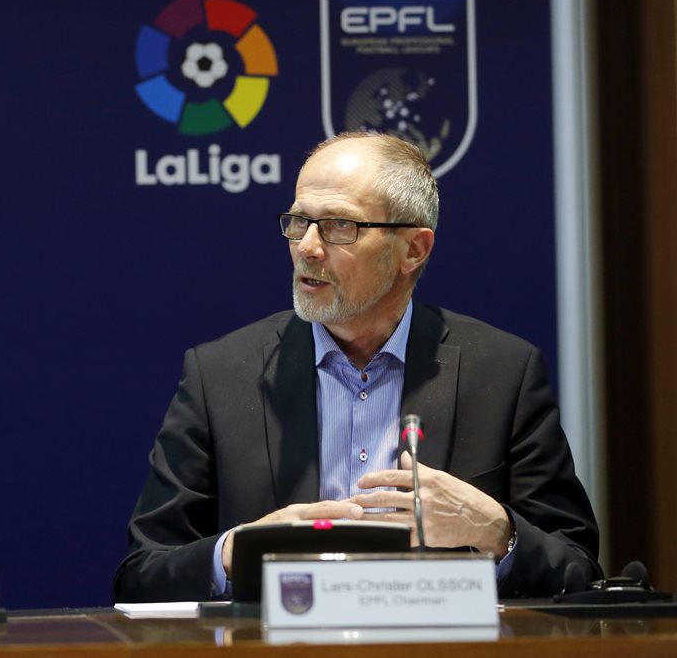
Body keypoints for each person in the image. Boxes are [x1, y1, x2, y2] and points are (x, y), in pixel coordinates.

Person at [112, 132, 600, 601]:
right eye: (299, 221)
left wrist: (498, 533)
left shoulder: (502, 373)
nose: (307, 246)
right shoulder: (220, 375)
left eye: (340, 226)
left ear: (414, 249)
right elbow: (142, 575)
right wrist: (235, 552)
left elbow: (578, 568)